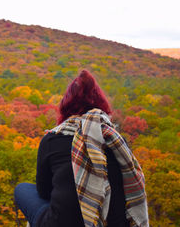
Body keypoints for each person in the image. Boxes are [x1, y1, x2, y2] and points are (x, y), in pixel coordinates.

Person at [14, 70, 149, 227]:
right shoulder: (117, 141)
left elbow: (44, 192)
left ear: (65, 107)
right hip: (115, 222)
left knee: (22, 189)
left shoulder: (52, 140)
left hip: (60, 222)